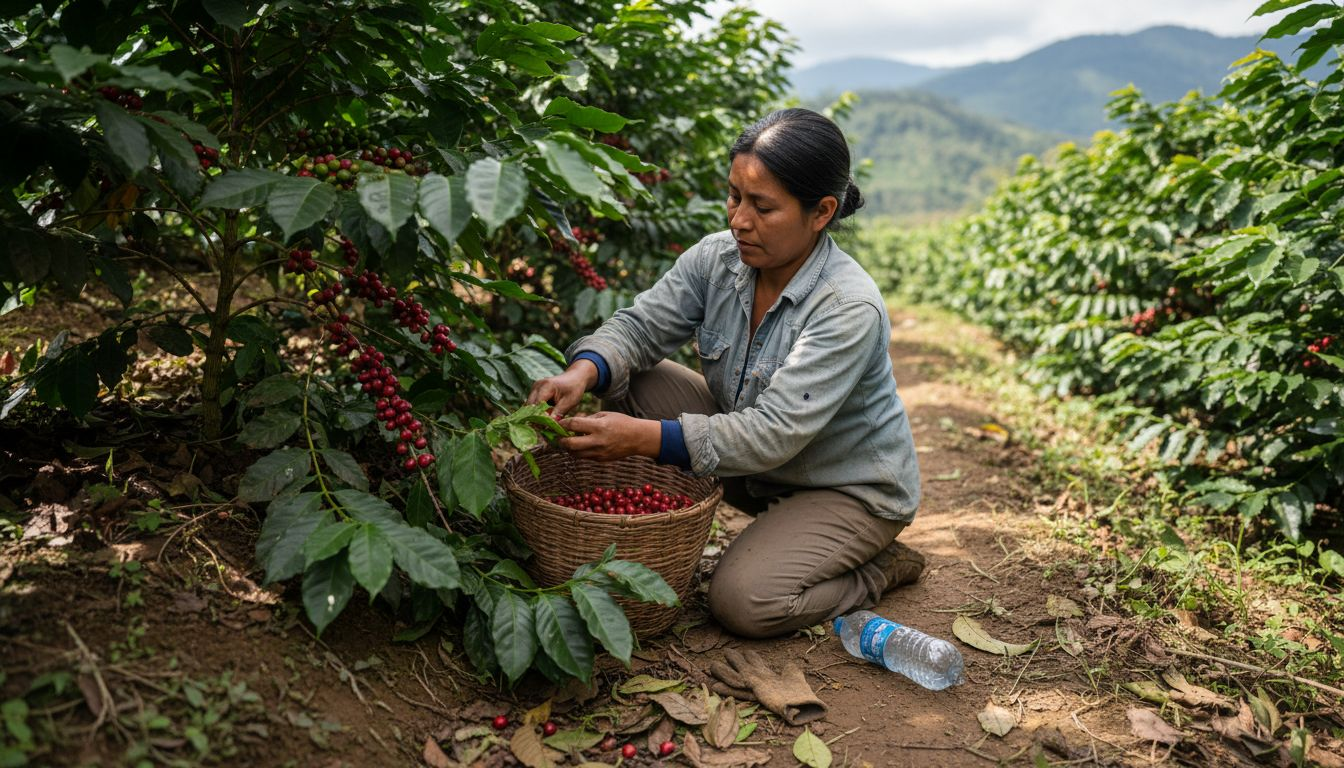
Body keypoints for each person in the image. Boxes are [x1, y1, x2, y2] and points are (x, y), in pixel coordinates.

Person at [525, 107, 924, 640]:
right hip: (756, 470)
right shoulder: (718, 259)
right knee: (629, 379)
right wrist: (583, 370)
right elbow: (641, 329)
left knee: (743, 601)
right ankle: (702, 531)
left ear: (822, 211)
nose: (738, 219)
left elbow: (773, 432)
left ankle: (877, 566)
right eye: (734, 196)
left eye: (763, 206)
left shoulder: (847, 308)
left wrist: (644, 439)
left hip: (845, 488)